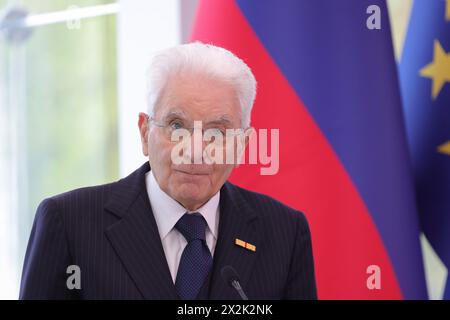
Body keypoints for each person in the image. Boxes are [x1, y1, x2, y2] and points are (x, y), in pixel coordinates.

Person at [19, 42, 317, 300]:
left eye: (217, 132)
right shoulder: (70, 223)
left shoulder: (284, 233)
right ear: (144, 132)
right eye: (176, 126)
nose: (195, 150)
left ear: (242, 145)